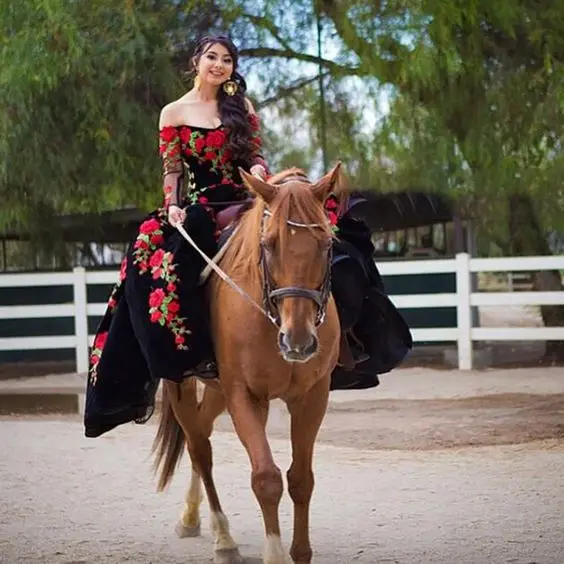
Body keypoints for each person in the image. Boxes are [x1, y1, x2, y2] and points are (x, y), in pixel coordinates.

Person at [84, 33, 412, 439]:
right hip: (203, 205)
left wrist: (259, 173)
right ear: (196, 62)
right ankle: (193, 354)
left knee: (341, 238)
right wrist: (172, 202)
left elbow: (255, 155)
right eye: (212, 57)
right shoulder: (173, 112)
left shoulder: (242, 107)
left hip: (252, 196)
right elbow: (172, 168)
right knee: (159, 266)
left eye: (226, 59)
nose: (219, 65)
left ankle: (348, 344)